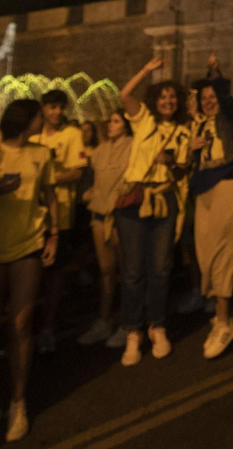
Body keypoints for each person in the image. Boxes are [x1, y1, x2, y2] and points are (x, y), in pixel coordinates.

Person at [0, 99, 58, 445]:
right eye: (38, 115)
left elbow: (50, 195)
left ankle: (18, 402)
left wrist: (54, 233)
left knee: (21, 323)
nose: (43, 119)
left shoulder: (43, 154)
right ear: (25, 119)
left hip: (28, 245)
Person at [116, 57, 191, 365]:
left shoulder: (184, 133)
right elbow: (123, 95)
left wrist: (171, 162)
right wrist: (146, 71)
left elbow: (183, 170)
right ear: (154, 101)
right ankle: (132, 332)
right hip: (135, 200)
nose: (168, 101)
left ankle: (157, 326)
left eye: (172, 97)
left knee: (160, 269)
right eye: (163, 97)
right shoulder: (143, 119)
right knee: (133, 271)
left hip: (165, 201)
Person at [189, 54, 233, 359]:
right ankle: (220, 312)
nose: (209, 101)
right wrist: (190, 149)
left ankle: (224, 321)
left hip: (228, 186)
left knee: (224, 252)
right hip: (204, 192)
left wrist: (214, 74)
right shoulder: (199, 126)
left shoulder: (230, 118)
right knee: (205, 254)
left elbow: (226, 98)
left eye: (213, 96)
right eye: (205, 97)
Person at [34, 89, 87, 354]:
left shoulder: (72, 135)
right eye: (51, 107)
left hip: (61, 215)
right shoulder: (33, 135)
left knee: (54, 273)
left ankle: (48, 327)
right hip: (33, 216)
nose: (56, 112)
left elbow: (77, 172)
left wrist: (48, 180)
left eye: (59, 107)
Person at [77, 110, 135, 348]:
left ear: (126, 125)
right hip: (99, 215)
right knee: (106, 270)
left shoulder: (134, 147)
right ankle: (104, 320)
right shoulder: (99, 151)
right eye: (109, 121)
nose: (110, 125)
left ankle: (127, 322)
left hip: (121, 214)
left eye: (116, 121)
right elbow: (89, 178)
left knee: (126, 270)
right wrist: (87, 193)